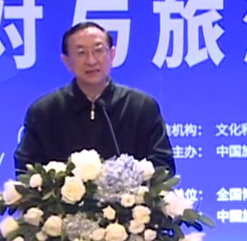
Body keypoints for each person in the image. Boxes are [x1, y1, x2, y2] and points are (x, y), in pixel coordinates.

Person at [14, 21, 176, 176]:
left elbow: (163, 166)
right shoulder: (45, 112)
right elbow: (27, 170)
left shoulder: (141, 107)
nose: (91, 61)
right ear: (66, 61)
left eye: (98, 50)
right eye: (81, 53)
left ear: (112, 54)